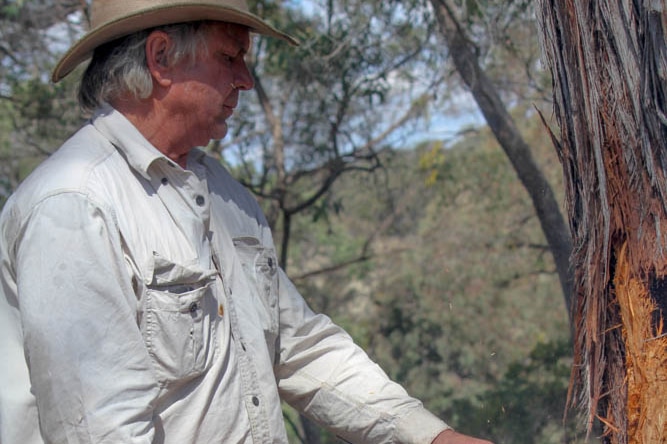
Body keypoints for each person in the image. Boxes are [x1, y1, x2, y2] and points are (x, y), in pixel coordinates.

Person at [0, 1, 493, 443]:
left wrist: (431, 437)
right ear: (161, 57)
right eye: (229, 58)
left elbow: (300, 348)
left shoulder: (224, 195)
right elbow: (99, 429)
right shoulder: (74, 204)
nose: (246, 80)